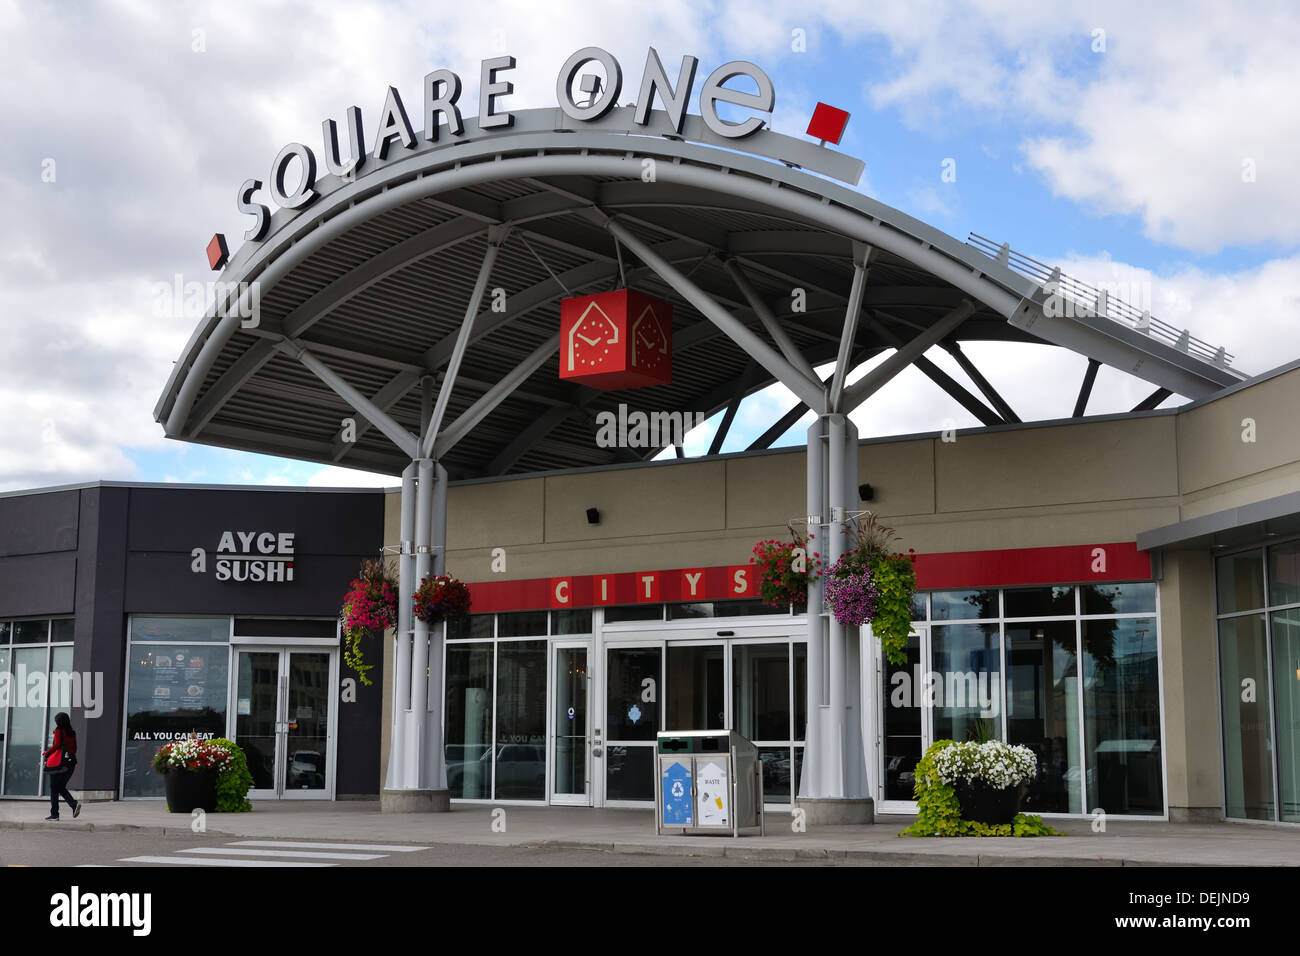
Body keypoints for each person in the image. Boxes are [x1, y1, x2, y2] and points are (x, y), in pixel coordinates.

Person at [43, 712, 80, 821]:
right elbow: (74, 749)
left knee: (54, 788)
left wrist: (46, 754)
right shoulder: (72, 733)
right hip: (71, 763)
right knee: (59, 787)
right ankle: (73, 805)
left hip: (58, 763)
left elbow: (56, 745)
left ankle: (55, 814)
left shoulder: (59, 731)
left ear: (58, 722)